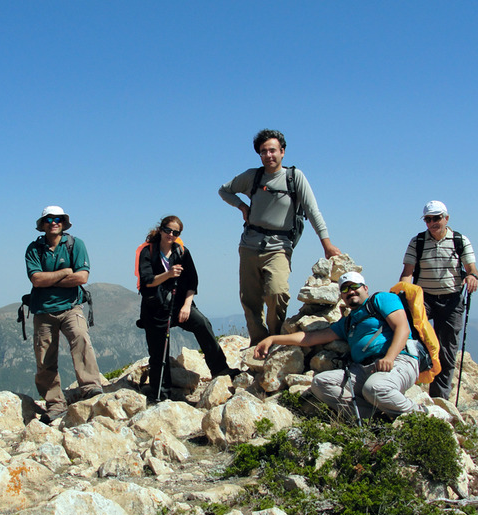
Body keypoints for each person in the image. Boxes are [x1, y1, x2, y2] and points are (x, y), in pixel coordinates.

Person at [219, 128, 341, 346]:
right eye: (263, 151)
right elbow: (224, 190)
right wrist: (241, 206)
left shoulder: (295, 178)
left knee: (277, 293)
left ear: (282, 152)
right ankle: (258, 342)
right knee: (250, 298)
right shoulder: (252, 177)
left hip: (279, 246)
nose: (268, 155)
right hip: (249, 244)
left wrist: (327, 243)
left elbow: (313, 211)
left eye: (273, 150)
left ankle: (274, 339)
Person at [254, 272, 424, 420]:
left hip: (399, 360)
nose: (350, 291)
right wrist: (274, 339)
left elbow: (402, 327)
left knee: (374, 388)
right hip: (364, 368)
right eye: (344, 289)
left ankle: (418, 416)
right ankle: (373, 418)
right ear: (341, 297)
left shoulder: (382, 299)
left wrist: (389, 357)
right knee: (321, 383)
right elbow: (309, 338)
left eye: (354, 286)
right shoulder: (348, 322)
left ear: (365, 288)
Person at [137, 216, 239, 400]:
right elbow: (147, 281)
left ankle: (221, 370)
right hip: (155, 309)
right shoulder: (147, 252)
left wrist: (187, 305)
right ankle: (161, 393)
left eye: (175, 233)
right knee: (158, 352)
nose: (171, 235)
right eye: (168, 230)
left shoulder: (182, 252)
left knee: (202, 323)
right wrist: (168, 274)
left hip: (178, 305)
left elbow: (192, 281)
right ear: (160, 229)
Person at [25, 205, 103, 424]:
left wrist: (49, 278)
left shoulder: (75, 244)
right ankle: (55, 404)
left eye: (58, 218)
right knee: (44, 358)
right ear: (43, 225)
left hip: (71, 307)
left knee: (80, 338)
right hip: (43, 311)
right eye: (49, 219)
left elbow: (82, 278)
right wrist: (65, 272)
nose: (53, 222)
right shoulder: (34, 249)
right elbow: (36, 280)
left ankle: (90, 387)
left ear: (63, 222)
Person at [399, 200, 478, 400]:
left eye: (437, 218)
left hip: (451, 300)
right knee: (413, 344)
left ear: (446, 218)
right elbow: (407, 273)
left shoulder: (459, 241)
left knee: (447, 350)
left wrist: (472, 277)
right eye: (428, 219)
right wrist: (402, 291)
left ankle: (439, 399)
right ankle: (411, 389)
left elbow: (472, 269)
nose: (433, 223)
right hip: (423, 300)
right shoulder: (417, 242)